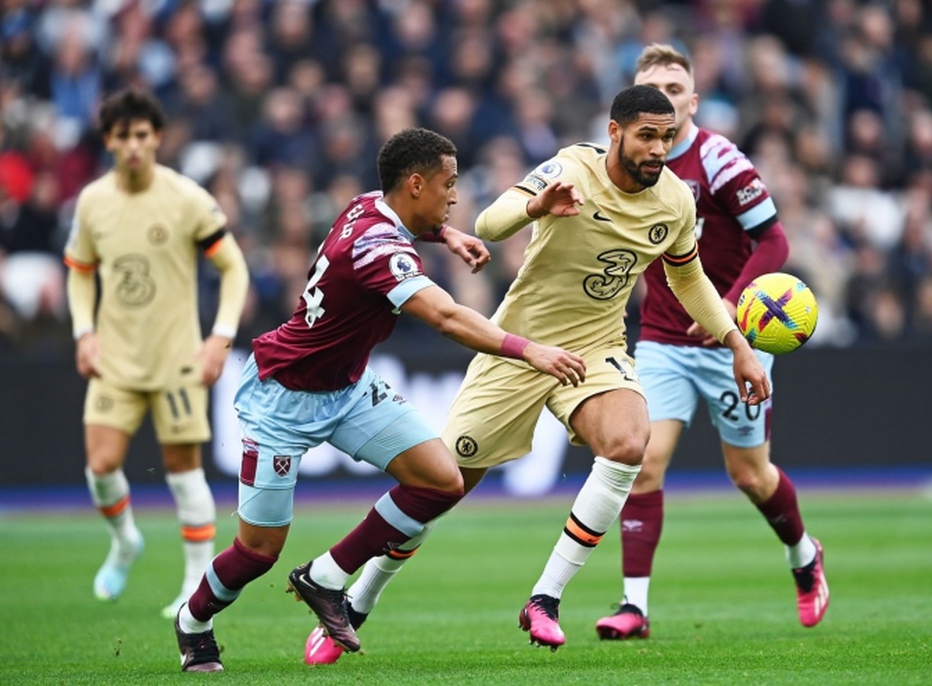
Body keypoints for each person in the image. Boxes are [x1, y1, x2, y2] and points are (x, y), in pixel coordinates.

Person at [310, 84, 771, 656]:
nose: (658, 149)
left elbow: (687, 278)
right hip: (517, 346)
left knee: (629, 443)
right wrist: (535, 206)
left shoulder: (676, 202)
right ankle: (358, 600)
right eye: (647, 136)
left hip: (596, 346)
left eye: (667, 137)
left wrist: (736, 343)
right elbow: (490, 220)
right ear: (615, 132)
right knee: (440, 486)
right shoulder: (571, 168)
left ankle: (545, 598)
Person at [171, 126, 587, 672]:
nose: (455, 195)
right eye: (449, 184)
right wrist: (529, 350)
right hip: (283, 399)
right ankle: (193, 621)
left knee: (441, 480)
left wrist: (448, 235)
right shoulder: (377, 250)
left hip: (346, 388)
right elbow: (445, 316)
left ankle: (325, 576)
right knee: (257, 552)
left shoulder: (369, 203)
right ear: (415, 184)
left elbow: (406, 228)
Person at [594, 44, 829, 642]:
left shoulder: (720, 160)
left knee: (750, 475)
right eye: (652, 89)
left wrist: (729, 305)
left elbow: (774, 242)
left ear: (693, 101)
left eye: (675, 89)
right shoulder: (622, 164)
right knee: (642, 462)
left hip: (733, 343)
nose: (665, 99)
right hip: (664, 340)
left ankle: (804, 555)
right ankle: (634, 607)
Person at [63, 89, 250, 619]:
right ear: (109, 142)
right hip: (114, 360)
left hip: (177, 361)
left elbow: (233, 268)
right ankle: (125, 541)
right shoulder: (93, 202)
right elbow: (79, 273)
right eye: (123, 137)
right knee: (100, 466)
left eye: (143, 135)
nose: (134, 146)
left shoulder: (187, 198)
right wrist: (83, 332)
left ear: (157, 138)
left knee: (182, 470)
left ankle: (195, 583)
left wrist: (219, 337)